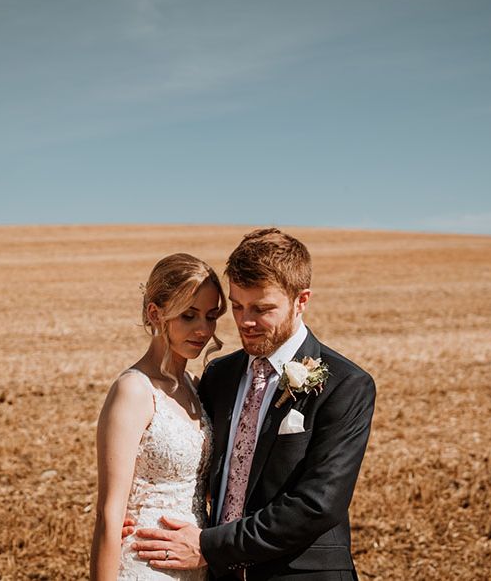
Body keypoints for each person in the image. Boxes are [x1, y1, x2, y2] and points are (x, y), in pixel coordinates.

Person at [129, 228, 377, 580]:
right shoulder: (219, 375)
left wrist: (208, 547)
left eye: (261, 309)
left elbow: (317, 504)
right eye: (237, 306)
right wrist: (139, 513)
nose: (245, 321)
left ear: (301, 300)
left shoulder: (346, 385)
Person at [90, 253, 228, 580]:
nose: (203, 330)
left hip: (196, 565)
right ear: (156, 313)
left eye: (210, 317)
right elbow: (109, 515)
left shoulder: (196, 387)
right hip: (145, 565)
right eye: (189, 316)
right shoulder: (133, 391)